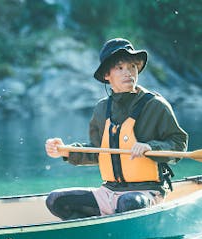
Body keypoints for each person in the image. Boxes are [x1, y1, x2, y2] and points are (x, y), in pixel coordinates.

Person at [44, 38, 188, 220]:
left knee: (128, 203)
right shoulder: (101, 109)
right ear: (106, 75)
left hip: (147, 192)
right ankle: (95, 231)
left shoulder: (156, 105)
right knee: (55, 200)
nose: (128, 73)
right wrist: (65, 151)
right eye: (120, 68)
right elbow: (96, 151)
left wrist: (151, 148)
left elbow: (178, 144)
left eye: (132, 67)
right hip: (109, 192)